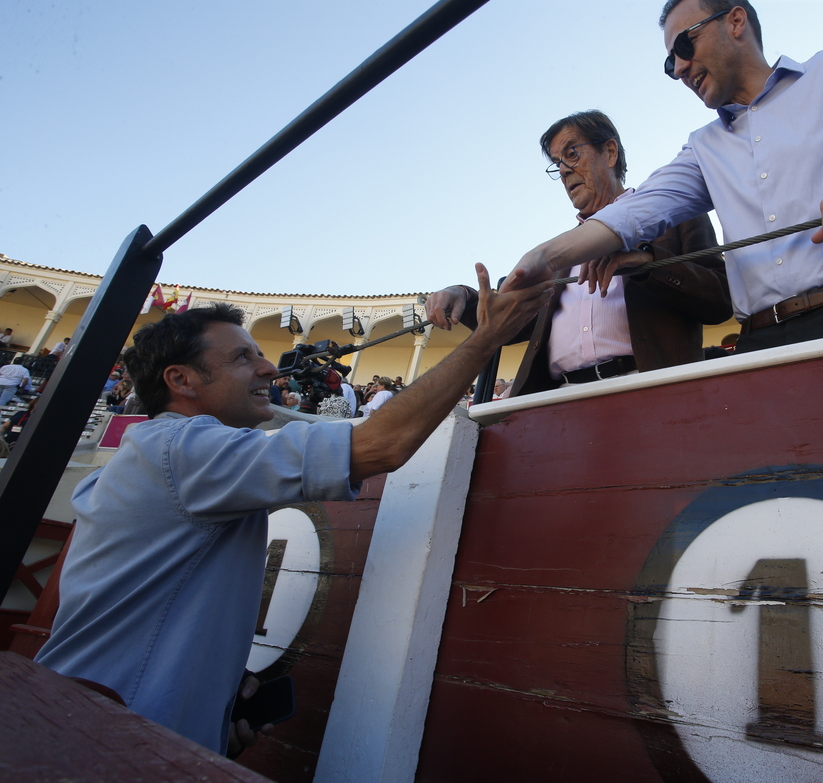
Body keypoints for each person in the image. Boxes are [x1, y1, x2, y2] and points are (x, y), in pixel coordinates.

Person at [34, 269, 550, 756]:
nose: (267, 368)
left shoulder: (159, 451)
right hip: (106, 739)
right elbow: (382, 445)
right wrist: (485, 339)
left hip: (88, 719)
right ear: (182, 380)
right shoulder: (184, 448)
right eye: (243, 359)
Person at [502, 0, 823, 355]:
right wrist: (544, 257)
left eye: (685, 45)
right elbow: (637, 210)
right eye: (669, 62)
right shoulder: (704, 148)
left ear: (735, 22)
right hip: (760, 346)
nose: (678, 67)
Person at [427, 110, 731, 396]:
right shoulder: (559, 255)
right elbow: (513, 321)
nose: (563, 170)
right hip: (558, 399)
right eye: (557, 162)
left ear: (610, 152)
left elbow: (719, 300)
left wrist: (648, 264)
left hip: (648, 387)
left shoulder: (675, 217)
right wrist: (464, 297)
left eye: (572, 153)